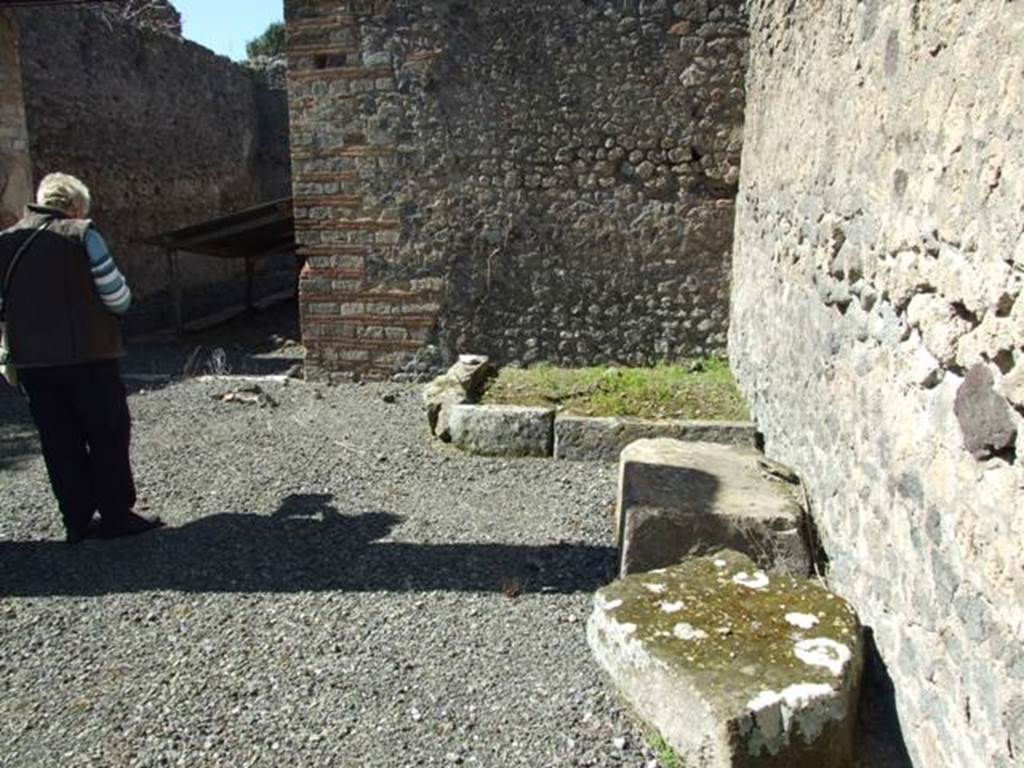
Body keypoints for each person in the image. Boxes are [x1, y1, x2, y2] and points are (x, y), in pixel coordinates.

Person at [0, 173, 162, 543]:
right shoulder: (81, 234)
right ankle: (116, 515)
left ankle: (75, 519)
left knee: (58, 440)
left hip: (33, 363)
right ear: (75, 205)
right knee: (106, 434)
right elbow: (116, 296)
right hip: (88, 356)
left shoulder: (6, 242)